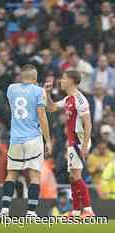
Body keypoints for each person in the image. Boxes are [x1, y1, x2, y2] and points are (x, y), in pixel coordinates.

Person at [0, 64, 52, 217]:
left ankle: (4, 210)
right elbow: (42, 116)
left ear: (21, 76)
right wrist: (48, 140)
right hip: (33, 138)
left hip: (15, 139)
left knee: (11, 174)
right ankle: (30, 212)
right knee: (34, 175)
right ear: (35, 79)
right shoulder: (39, 91)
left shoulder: (11, 89)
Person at [44, 70, 94, 217]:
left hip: (79, 141)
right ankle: (77, 211)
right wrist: (47, 94)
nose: (61, 81)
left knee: (77, 176)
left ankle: (88, 210)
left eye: (64, 78)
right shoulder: (68, 99)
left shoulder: (80, 100)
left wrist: (84, 145)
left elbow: (88, 124)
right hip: (72, 142)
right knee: (72, 177)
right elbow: (51, 107)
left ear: (72, 81)